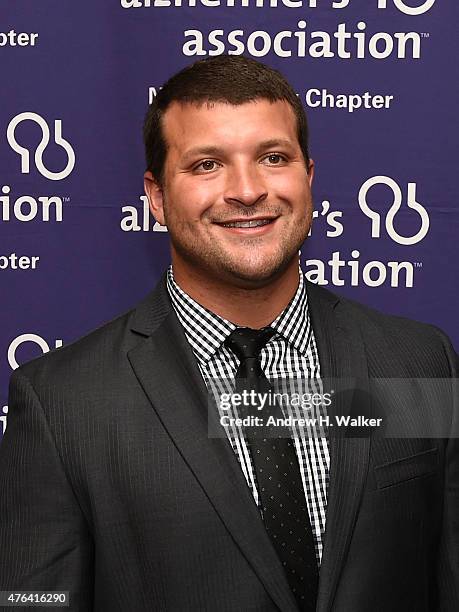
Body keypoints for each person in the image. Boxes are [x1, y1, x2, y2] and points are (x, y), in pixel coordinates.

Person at [0, 55, 458, 612]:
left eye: (272, 157)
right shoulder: (61, 402)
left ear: (308, 177)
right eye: (207, 165)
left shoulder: (417, 360)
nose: (246, 190)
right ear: (157, 196)